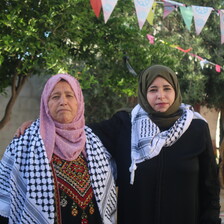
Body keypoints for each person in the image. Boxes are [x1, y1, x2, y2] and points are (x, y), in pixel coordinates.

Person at [14, 65, 221, 224]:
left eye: (167, 88)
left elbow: (209, 186)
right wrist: (42, 124)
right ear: (143, 93)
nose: (161, 96)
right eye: (153, 89)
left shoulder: (195, 128)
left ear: (175, 90)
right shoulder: (125, 125)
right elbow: (76, 129)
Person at [0, 74, 117, 224]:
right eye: (55, 97)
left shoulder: (94, 142)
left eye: (69, 95)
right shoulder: (23, 144)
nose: (63, 102)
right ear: (45, 104)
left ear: (79, 102)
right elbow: (4, 201)